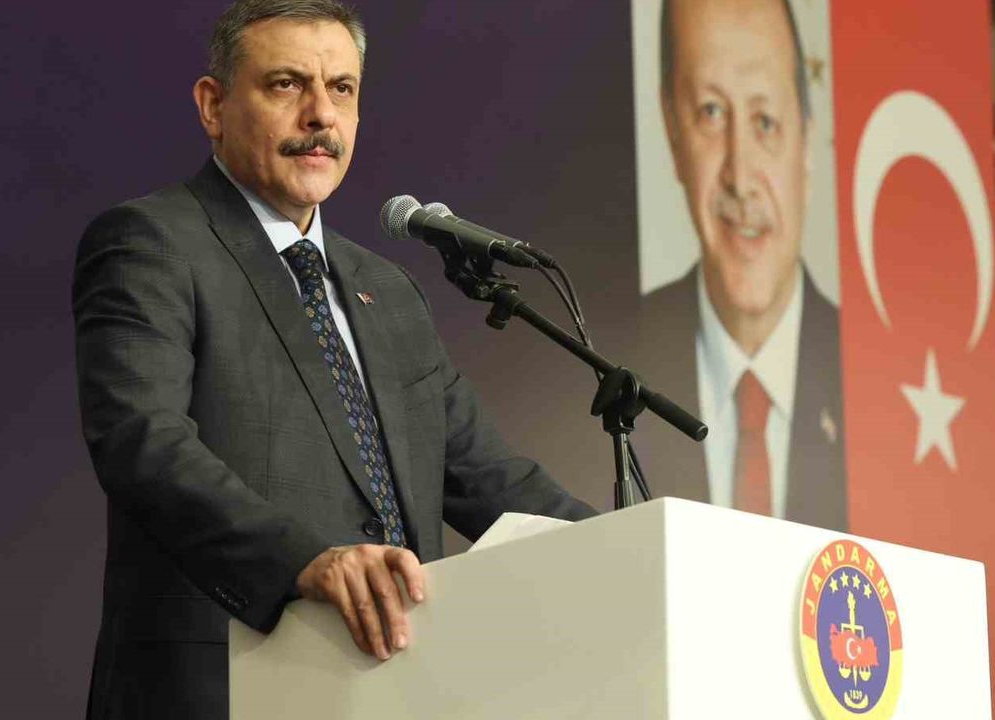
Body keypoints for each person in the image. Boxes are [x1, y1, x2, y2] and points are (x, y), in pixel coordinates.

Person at [72, 1, 596, 717]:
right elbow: (142, 443)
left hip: (392, 689)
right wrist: (304, 561)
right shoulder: (152, 243)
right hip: (222, 685)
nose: (321, 114)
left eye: (341, 89)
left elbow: (487, 478)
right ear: (214, 106)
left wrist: (643, 552)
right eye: (287, 84)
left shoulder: (388, 289)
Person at [634, 0, 846, 529]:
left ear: (806, 141)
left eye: (765, 121)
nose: (740, 175)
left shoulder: (872, 379)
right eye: (711, 112)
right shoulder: (607, 369)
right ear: (672, 132)